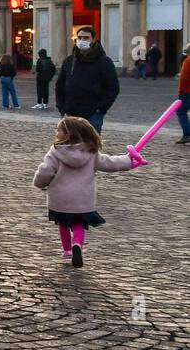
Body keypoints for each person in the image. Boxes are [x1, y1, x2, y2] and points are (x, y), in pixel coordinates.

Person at [33, 115, 139, 268]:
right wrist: (128, 161)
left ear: (68, 134)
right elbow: (108, 163)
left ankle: (67, 250)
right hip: (82, 198)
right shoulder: (91, 151)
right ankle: (77, 244)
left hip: (60, 198)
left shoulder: (55, 151)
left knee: (63, 223)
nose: (56, 132)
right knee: (78, 223)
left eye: (59, 130)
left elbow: (45, 171)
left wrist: (39, 183)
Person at [55, 25, 119, 133]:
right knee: (68, 146)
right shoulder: (69, 61)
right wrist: (61, 107)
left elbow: (113, 88)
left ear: (93, 40)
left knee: (89, 147)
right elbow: (59, 85)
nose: (82, 40)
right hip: (70, 113)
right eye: (79, 38)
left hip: (93, 114)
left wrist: (100, 109)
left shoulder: (104, 62)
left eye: (85, 38)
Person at [176, 43, 190, 145]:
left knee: (181, 111)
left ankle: (187, 134)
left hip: (188, 92)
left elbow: (183, 79)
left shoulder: (188, 61)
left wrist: (180, 92)